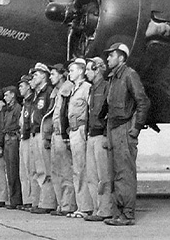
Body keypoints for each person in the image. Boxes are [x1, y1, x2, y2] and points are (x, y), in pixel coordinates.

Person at [103, 43, 150, 226]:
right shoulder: (113, 78)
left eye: (111, 55)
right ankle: (118, 213)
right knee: (115, 173)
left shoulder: (129, 75)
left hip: (124, 128)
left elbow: (143, 102)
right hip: (113, 128)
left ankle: (127, 215)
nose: (108, 59)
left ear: (121, 58)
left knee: (125, 173)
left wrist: (136, 127)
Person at [84, 57, 112, 222]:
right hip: (91, 135)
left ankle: (105, 209)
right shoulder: (92, 89)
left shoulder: (107, 87)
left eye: (89, 69)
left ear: (98, 69)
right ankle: (97, 208)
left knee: (104, 176)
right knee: (92, 176)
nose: (86, 72)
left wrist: (107, 135)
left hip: (101, 135)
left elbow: (110, 112)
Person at [46, 64, 76, 216]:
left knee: (65, 171)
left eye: (53, 74)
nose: (50, 77)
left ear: (62, 75)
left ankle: (68, 205)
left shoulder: (68, 88)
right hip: (55, 134)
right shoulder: (56, 91)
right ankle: (61, 204)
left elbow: (67, 113)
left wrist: (66, 135)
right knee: (56, 172)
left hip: (62, 134)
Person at [66, 58, 93, 219]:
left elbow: (91, 110)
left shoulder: (87, 88)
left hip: (82, 129)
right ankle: (81, 205)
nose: (69, 73)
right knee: (77, 170)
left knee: (83, 169)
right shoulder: (73, 89)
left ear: (81, 71)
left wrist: (87, 132)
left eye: (72, 70)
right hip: (73, 130)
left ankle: (86, 207)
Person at [28, 63, 57, 214]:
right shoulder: (37, 94)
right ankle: (40, 201)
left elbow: (49, 115)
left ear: (44, 75)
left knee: (46, 170)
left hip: (42, 133)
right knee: (38, 170)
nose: (34, 76)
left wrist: (47, 135)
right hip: (34, 134)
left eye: (37, 74)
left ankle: (48, 203)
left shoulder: (48, 92)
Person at [17, 74, 37, 211]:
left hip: (29, 137)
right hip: (23, 137)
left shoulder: (31, 101)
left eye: (22, 86)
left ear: (29, 86)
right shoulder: (25, 102)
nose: (20, 88)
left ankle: (31, 201)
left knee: (30, 170)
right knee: (24, 172)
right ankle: (26, 200)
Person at [2, 86, 23, 209]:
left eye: (6, 95)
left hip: (14, 139)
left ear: (13, 95)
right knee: (9, 171)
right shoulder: (8, 109)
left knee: (14, 170)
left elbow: (18, 125)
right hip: (7, 139)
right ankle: (13, 199)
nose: (4, 97)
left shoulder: (17, 108)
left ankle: (16, 200)